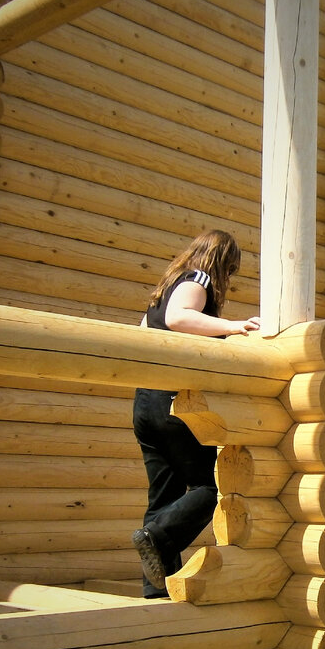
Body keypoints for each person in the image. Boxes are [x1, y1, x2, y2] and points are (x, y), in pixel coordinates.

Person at [131, 230, 261, 597]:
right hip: (173, 401)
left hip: (146, 402)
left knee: (164, 497)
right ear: (222, 261)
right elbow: (179, 317)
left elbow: (145, 331)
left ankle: (156, 588)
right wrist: (233, 326)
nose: (228, 279)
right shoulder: (197, 278)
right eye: (231, 270)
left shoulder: (164, 287)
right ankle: (156, 536)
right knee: (213, 484)